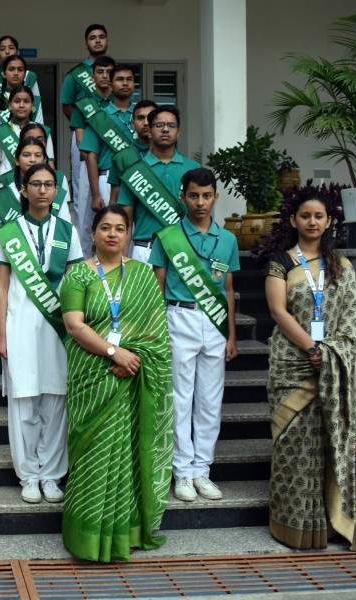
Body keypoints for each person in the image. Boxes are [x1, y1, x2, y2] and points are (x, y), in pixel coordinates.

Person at [264, 193, 356, 551]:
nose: (312, 222)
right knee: (292, 446)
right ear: (294, 220)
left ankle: (330, 525)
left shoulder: (342, 266)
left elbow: (350, 320)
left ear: (329, 221)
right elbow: (279, 312)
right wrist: (313, 349)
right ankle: (292, 527)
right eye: (305, 215)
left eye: (319, 216)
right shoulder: (281, 262)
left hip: (331, 365)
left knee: (330, 444)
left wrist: (328, 353)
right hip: (291, 364)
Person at [60, 204, 172, 562]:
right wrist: (114, 352)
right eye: (105, 227)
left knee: (128, 453)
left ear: (128, 235)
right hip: (92, 376)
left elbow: (156, 329)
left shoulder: (142, 275)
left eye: (120, 228)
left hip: (133, 374)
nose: (112, 234)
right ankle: (87, 537)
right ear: (92, 233)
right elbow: (74, 325)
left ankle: (127, 532)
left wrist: (132, 358)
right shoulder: (78, 275)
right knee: (93, 452)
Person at [0, 164, 83, 504]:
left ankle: (52, 475)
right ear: (23, 189)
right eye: (36, 184)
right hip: (19, 326)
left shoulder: (68, 230)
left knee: (56, 401)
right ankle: (29, 476)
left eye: (48, 184)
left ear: (56, 191)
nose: (42, 190)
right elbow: (1, 287)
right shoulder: (8, 232)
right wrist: (1, 335)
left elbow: (76, 283)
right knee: (24, 403)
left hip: (58, 328)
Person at [150, 168, 239, 502]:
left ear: (215, 197)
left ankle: (203, 470)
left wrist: (231, 335)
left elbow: (227, 289)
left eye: (206, 196)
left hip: (214, 323)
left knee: (210, 402)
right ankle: (182, 472)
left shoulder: (227, 239)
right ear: (183, 197)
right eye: (193, 195)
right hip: (178, 317)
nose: (200, 202)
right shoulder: (168, 236)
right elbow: (157, 286)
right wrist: (157, 329)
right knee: (180, 399)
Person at [117, 105, 199, 264]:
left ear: (178, 132)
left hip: (184, 252)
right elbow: (125, 222)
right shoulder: (135, 171)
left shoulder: (193, 168)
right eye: (159, 125)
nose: (165, 129)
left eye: (171, 125)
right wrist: (122, 261)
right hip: (145, 251)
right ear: (150, 131)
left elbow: (201, 216)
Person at [61, 24, 109, 249]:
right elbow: (67, 106)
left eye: (101, 37)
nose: (97, 41)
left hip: (111, 142)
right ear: (86, 43)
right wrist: (84, 124)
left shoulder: (112, 70)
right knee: (84, 195)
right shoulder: (75, 74)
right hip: (83, 136)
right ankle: (84, 253)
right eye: (92, 37)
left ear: (107, 40)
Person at [79, 62, 133, 213]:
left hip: (139, 178)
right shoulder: (99, 117)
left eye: (129, 79)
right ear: (110, 84)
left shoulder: (143, 115)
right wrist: (95, 195)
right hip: (108, 179)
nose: (125, 83)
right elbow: (92, 157)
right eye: (120, 79)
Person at [0, 86, 54, 196]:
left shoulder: (43, 131)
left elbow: (50, 165)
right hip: (6, 191)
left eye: (26, 101)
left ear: (32, 106)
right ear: (10, 105)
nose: (21, 105)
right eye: (17, 101)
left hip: (38, 191)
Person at [107, 99, 157, 204]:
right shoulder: (122, 157)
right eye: (140, 118)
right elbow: (114, 200)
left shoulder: (168, 154)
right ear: (133, 124)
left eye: (150, 118)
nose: (146, 123)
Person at [0, 55, 44, 131]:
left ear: (25, 74)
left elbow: (40, 131)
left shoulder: (36, 101)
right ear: (4, 74)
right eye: (11, 69)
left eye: (20, 69)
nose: (16, 73)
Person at [0, 36, 41, 108]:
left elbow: (36, 105)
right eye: (2, 49)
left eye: (11, 48)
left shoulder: (30, 76)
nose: (7, 52)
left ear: (18, 52)